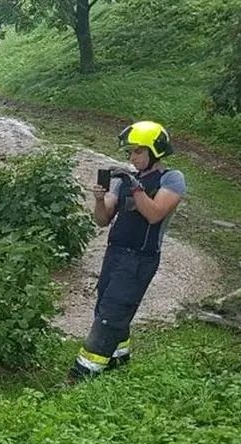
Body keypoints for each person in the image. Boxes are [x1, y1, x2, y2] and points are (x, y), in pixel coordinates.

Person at [67, 121, 187, 383]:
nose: (132, 158)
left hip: (140, 258)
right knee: (105, 307)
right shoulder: (126, 182)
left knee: (112, 312)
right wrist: (100, 198)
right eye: (130, 153)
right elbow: (102, 219)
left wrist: (135, 186)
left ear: (156, 150)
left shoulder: (172, 179)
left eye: (137, 152)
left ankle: (82, 373)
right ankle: (119, 359)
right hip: (115, 254)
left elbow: (155, 214)